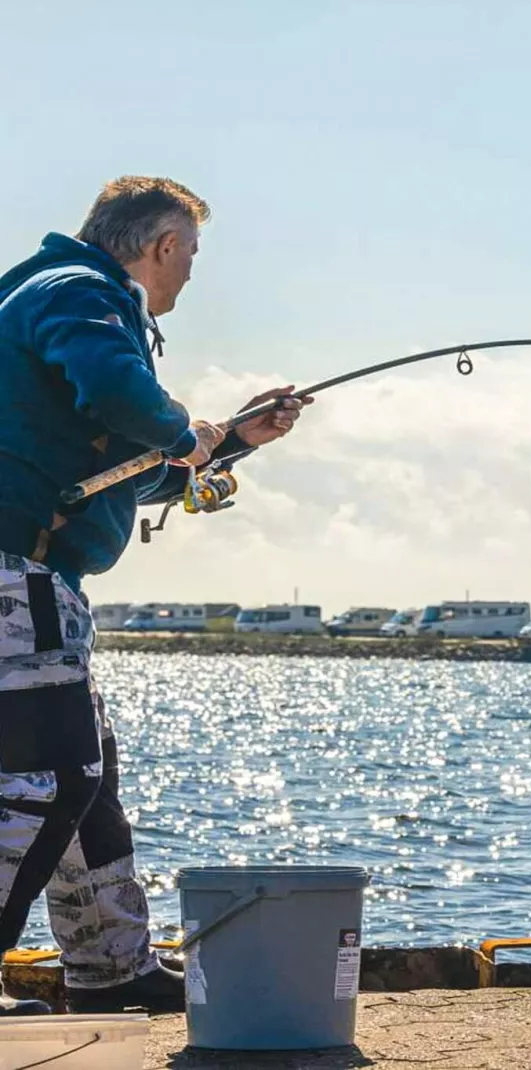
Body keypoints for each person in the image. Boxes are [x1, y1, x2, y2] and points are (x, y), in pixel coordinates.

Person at [0, 177, 310, 1016]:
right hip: (15, 579)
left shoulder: (34, 297)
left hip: (37, 580)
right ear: (163, 246)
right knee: (52, 774)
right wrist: (182, 432)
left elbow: (111, 479)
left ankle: (113, 971)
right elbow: (115, 394)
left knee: (87, 779)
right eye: (192, 256)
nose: (190, 276)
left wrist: (230, 441)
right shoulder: (82, 293)